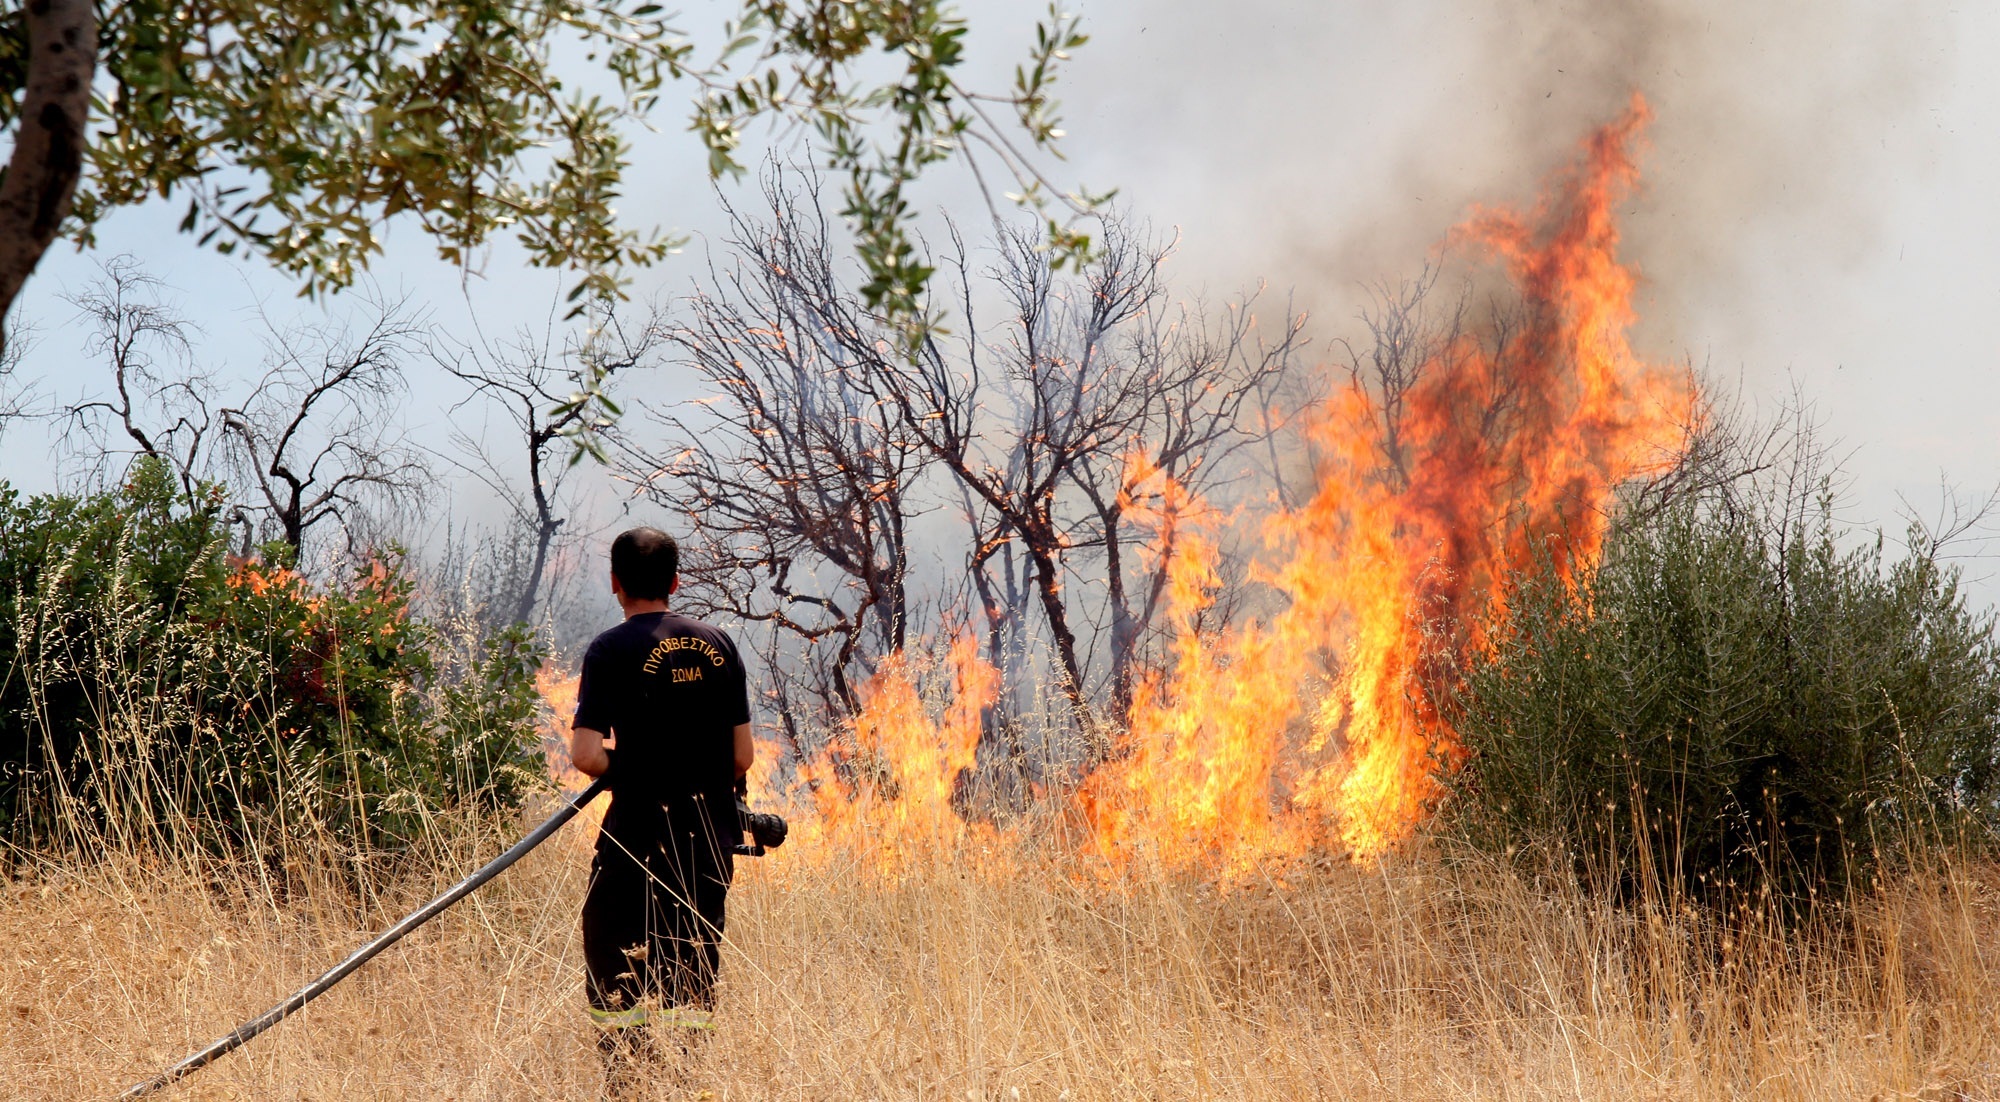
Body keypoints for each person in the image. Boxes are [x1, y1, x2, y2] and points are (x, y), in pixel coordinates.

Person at [568, 527, 754, 1083]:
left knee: (616, 963)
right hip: (708, 842)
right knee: (691, 972)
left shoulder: (609, 649)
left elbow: (585, 755)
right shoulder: (719, 643)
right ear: (675, 581)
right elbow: (741, 755)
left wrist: (635, 767)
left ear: (615, 584)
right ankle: (685, 1084)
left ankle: (629, 1084)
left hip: (636, 839)